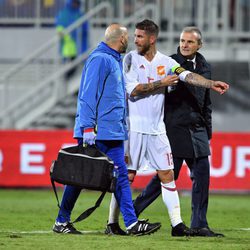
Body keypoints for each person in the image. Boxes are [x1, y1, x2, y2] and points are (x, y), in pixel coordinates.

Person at [105, 20, 229, 237]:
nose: (135, 40)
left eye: (140, 37)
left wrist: (211, 83)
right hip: (135, 130)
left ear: (152, 39)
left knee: (167, 175)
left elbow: (186, 75)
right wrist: (162, 83)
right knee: (128, 176)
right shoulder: (130, 59)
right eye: (135, 36)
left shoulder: (166, 61)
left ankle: (177, 225)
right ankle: (112, 223)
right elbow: (134, 91)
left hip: (158, 131)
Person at [52, 23, 161, 236]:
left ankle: (130, 223)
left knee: (116, 176)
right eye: (127, 37)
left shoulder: (111, 60)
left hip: (112, 131)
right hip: (99, 130)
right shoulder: (100, 59)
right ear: (121, 39)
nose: (129, 41)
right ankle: (62, 220)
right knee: (80, 176)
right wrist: (87, 127)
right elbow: (87, 95)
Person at [55, 0, 88, 79]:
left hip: (78, 47)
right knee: (69, 69)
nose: (75, 5)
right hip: (68, 48)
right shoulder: (63, 14)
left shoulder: (80, 14)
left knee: (75, 68)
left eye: (77, 3)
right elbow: (60, 28)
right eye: (74, 2)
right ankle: (66, 79)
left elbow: (85, 30)